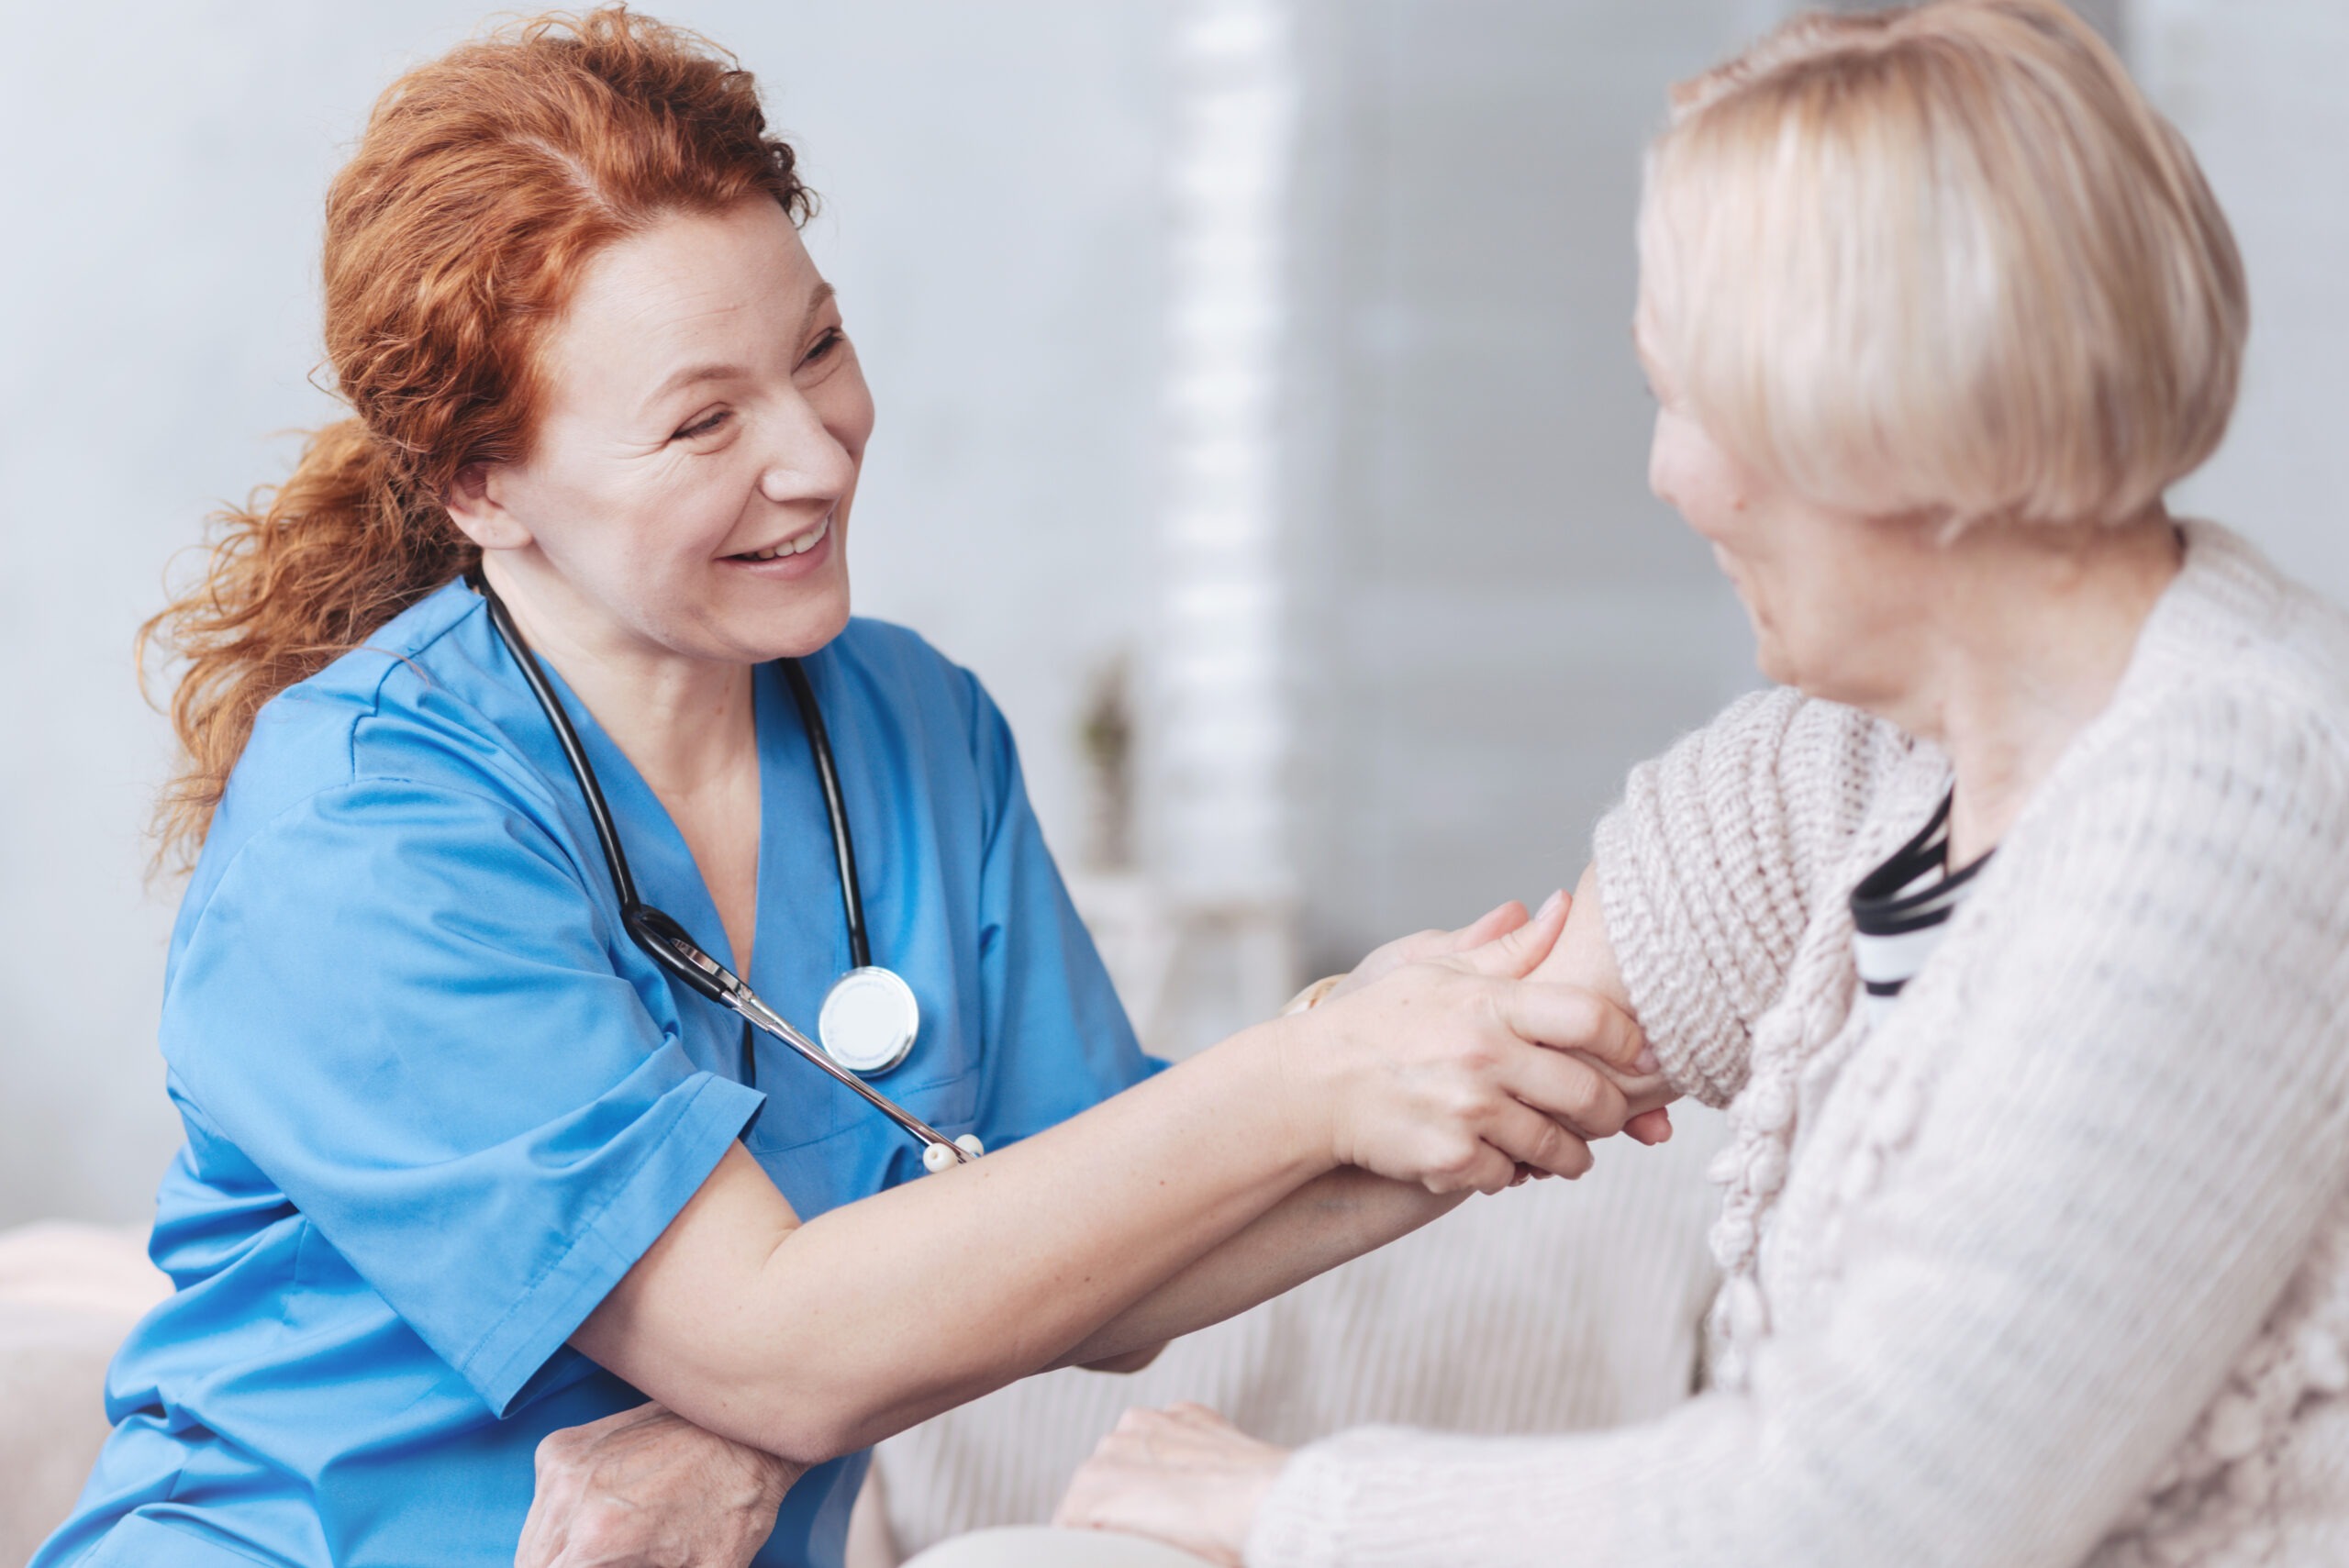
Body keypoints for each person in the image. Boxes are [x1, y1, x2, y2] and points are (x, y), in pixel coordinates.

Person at [29, 12, 1673, 1568]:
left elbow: (1106, 1260)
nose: (815, 457)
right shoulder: (366, 826)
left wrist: (1457, 1073)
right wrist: (1311, 1068)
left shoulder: (911, 724)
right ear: (481, 487)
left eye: (817, 347)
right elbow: (776, 1342)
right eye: (703, 423)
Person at [1055, 3, 2349, 1565]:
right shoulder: (1870, 761)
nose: (1671, 476)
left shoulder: (2228, 813)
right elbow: (1431, 1074)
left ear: (1894, 419)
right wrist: (852, 1344)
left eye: (1691, 396)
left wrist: (1290, 1505)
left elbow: (1868, 1518)